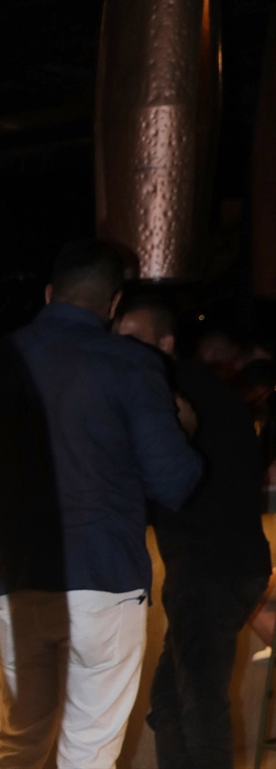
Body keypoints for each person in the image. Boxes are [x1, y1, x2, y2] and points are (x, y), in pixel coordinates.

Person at [0, 240, 204, 769]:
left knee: (19, 741)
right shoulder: (132, 365)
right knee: (89, 753)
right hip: (105, 579)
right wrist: (185, 425)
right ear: (113, 303)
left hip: (17, 581)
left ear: (50, 294)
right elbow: (174, 482)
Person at [114, 295, 271, 769]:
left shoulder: (168, 391)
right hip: (225, 567)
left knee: (199, 707)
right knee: (172, 703)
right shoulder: (201, 386)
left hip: (209, 569)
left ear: (165, 343)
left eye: (134, 339)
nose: (121, 348)